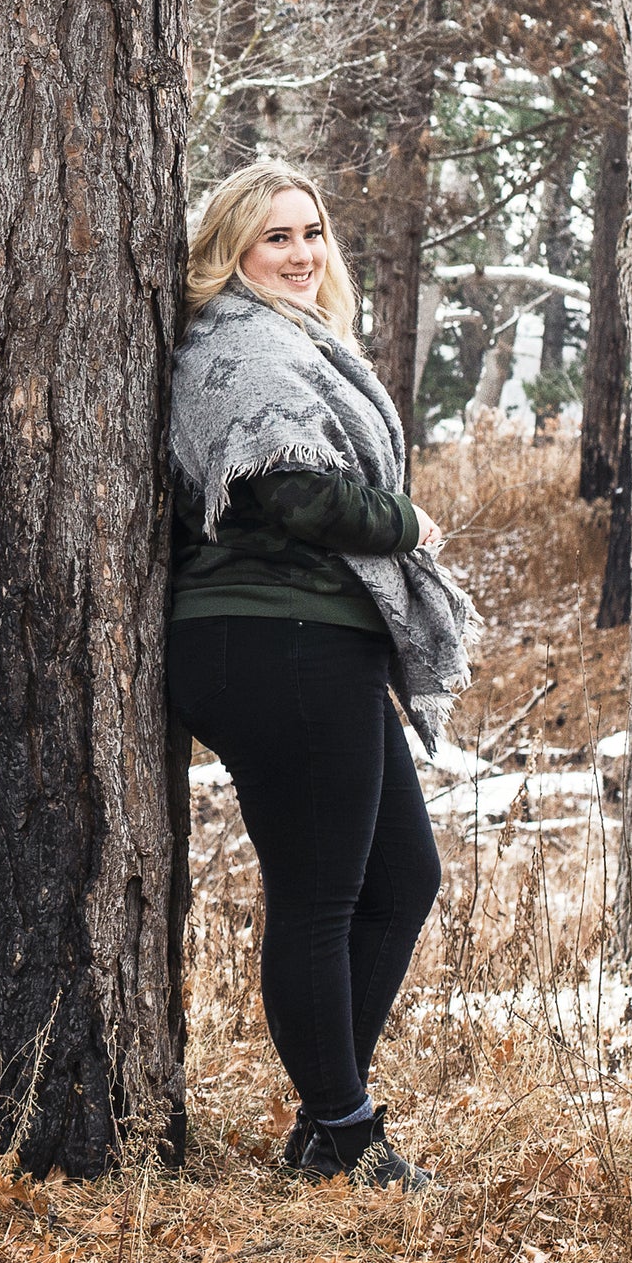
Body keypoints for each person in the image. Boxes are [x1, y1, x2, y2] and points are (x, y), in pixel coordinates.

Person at [166, 157, 479, 1191]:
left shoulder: (290, 339)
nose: (301, 255)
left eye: (310, 233)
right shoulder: (240, 345)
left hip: (313, 636)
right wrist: (406, 522)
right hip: (271, 638)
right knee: (322, 893)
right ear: (231, 253)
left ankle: (324, 1122)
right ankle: (346, 1138)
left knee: (402, 879)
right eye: (274, 238)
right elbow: (294, 492)